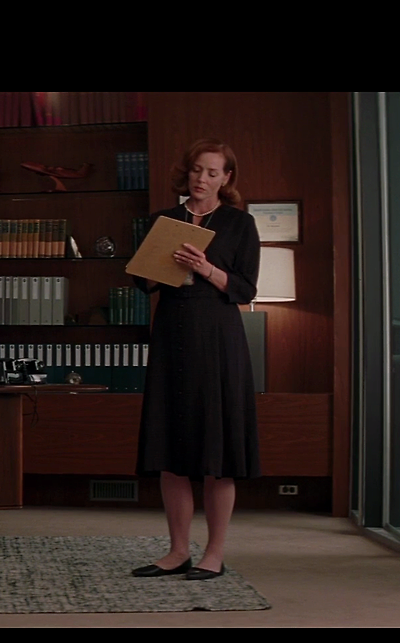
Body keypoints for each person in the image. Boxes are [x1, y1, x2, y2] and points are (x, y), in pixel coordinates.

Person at [129, 138, 261, 581]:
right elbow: (142, 282)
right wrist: (159, 265)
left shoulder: (240, 224)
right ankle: (177, 552)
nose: (202, 179)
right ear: (186, 173)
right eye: (196, 170)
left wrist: (205, 268)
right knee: (170, 451)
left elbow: (245, 289)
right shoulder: (163, 220)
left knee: (216, 453)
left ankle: (214, 554)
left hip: (218, 340)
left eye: (212, 172)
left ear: (226, 178)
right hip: (171, 337)